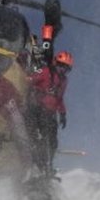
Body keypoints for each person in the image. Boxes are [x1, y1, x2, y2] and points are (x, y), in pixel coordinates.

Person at [25, 50, 72, 178]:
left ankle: (47, 165)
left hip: (49, 113)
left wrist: (62, 114)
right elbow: (29, 80)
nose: (62, 70)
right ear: (56, 63)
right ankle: (34, 164)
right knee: (35, 137)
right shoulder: (45, 71)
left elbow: (59, 98)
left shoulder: (63, 81)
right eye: (61, 66)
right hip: (36, 109)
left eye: (66, 68)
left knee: (52, 141)